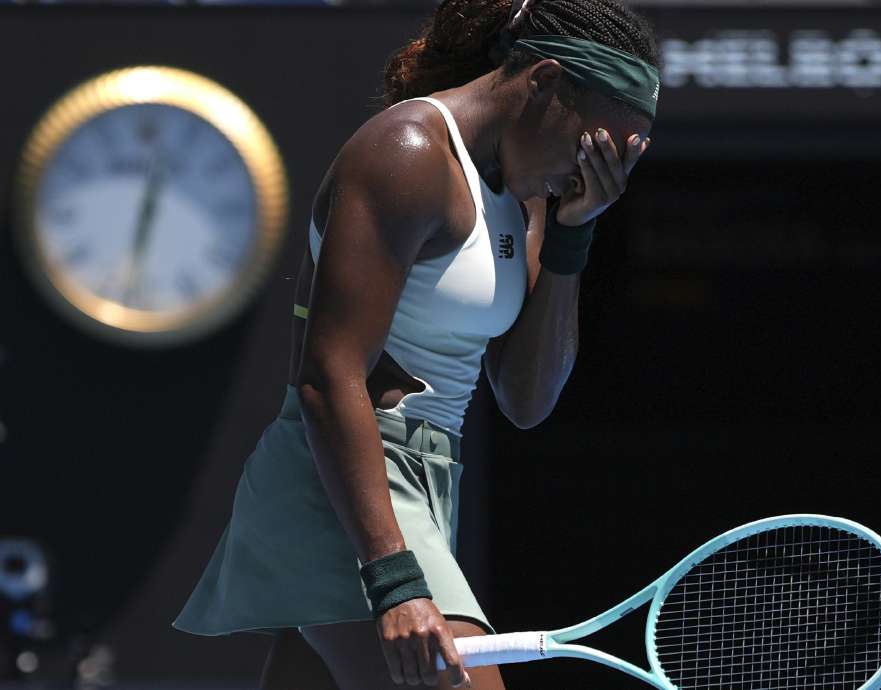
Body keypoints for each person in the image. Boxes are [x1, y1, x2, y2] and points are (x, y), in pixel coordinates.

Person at [172, 1, 660, 688]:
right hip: (344, 483)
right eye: (592, 149)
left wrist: (575, 231)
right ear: (545, 82)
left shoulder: (527, 199)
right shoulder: (409, 152)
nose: (591, 173)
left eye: (615, 163)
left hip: (423, 490)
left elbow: (526, 400)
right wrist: (395, 577)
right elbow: (327, 373)